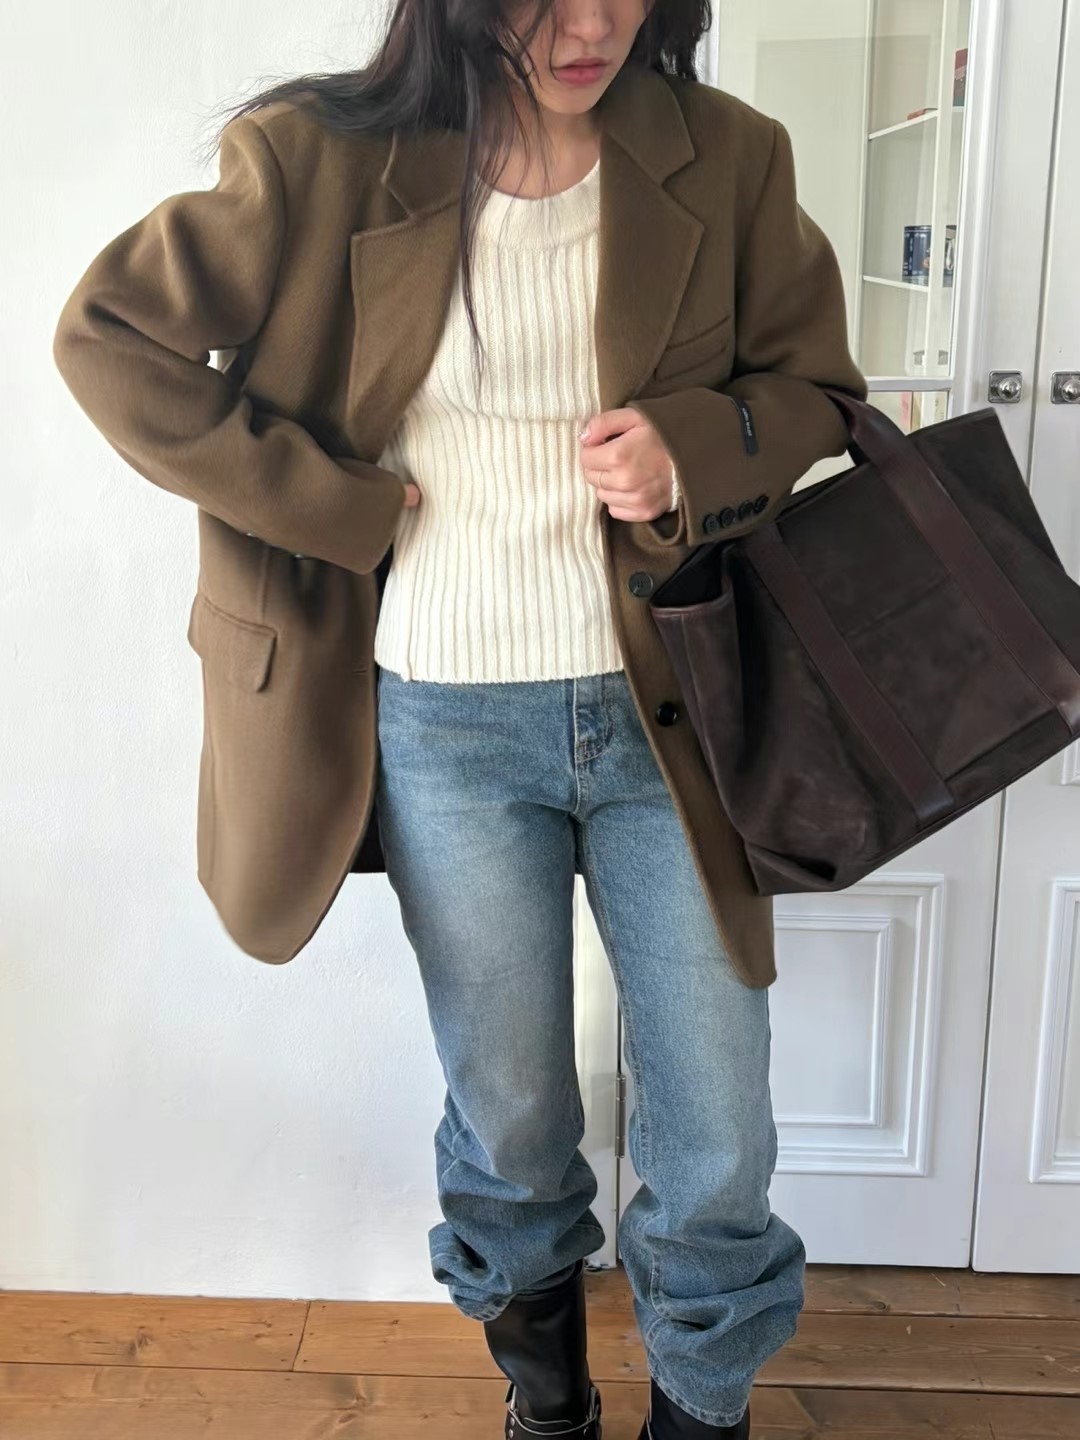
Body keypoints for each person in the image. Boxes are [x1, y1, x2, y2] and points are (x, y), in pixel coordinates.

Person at [52, 1, 869, 1436]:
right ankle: (547, 1410)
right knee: (511, 1119)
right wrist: (333, 504)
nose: (592, 22)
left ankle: (703, 1412)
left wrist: (697, 445)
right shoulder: (316, 158)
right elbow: (107, 338)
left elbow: (816, 394)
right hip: (445, 722)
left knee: (719, 1132)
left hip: (673, 719)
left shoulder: (730, 155)